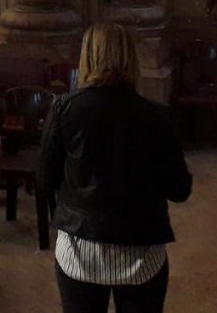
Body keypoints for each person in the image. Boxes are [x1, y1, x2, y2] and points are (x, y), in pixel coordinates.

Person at [38, 22, 193, 313]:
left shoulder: (64, 109)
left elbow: (46, 178)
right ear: (131, 59)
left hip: (80, 248)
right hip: (140, 249)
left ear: (88, 57)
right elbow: (180, 190)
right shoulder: (156, 116)